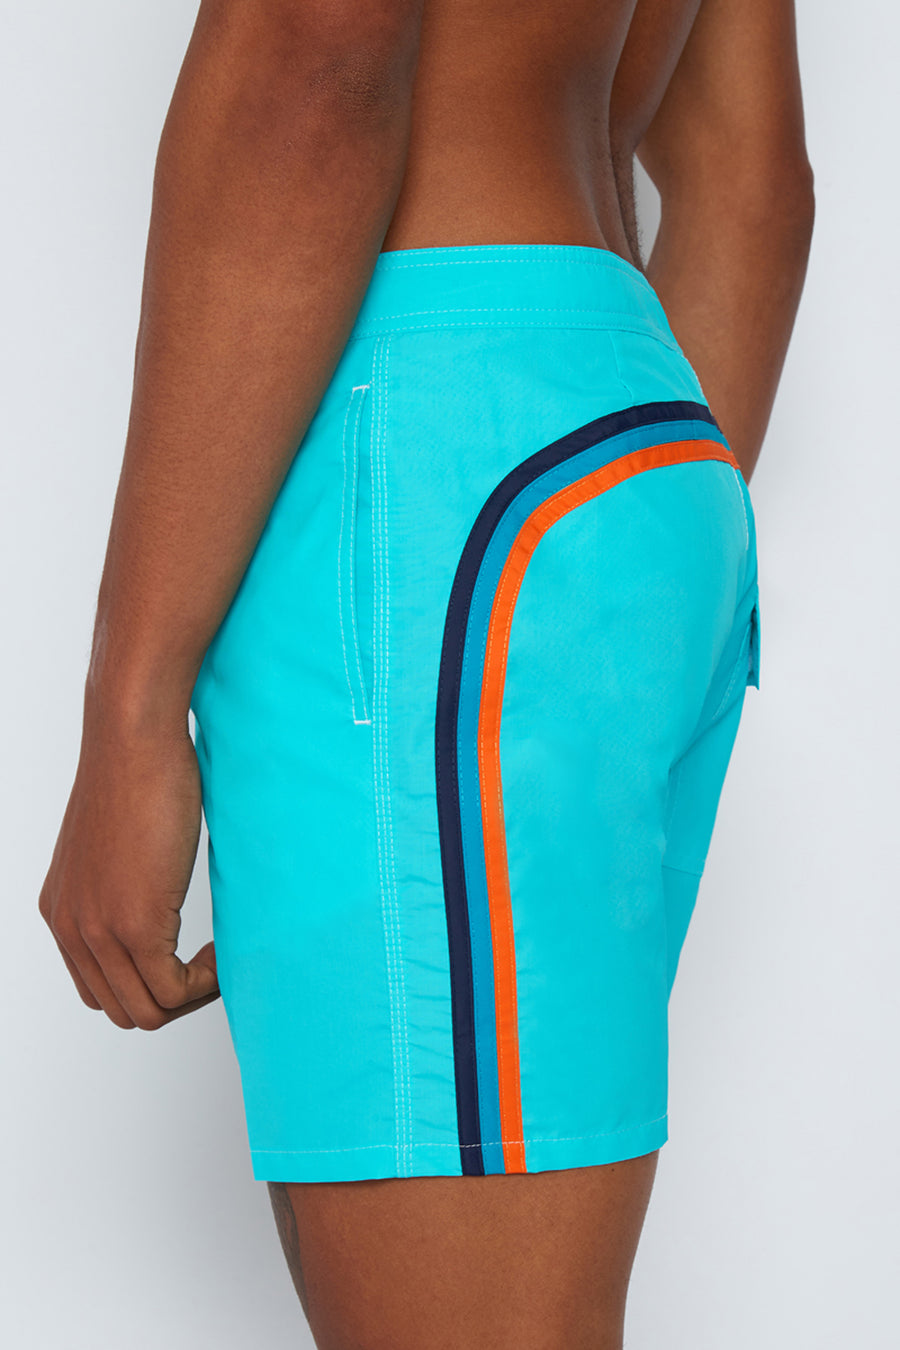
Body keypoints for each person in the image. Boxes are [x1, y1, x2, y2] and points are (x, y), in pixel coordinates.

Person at [37, 0, 814, 1345]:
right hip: (615, 444)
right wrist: (606, 560)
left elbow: (319, 39)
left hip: (443, 483)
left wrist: (131, 700)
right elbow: (751, 177)